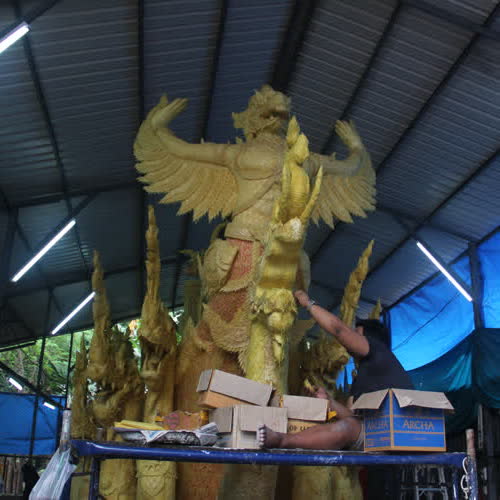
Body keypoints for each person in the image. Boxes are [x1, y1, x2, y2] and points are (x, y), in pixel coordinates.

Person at [257, 289, 414, 450]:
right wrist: (329, 402)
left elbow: (338, 330)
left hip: (403, 432)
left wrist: (307, 303)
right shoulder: (363, 378)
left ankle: (282, 440)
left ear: (370, 340)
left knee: (347, 427)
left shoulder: (378, 349)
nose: (351, 338)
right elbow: (353, 419)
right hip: (378, 436)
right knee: (346, 426)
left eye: (357, 335)